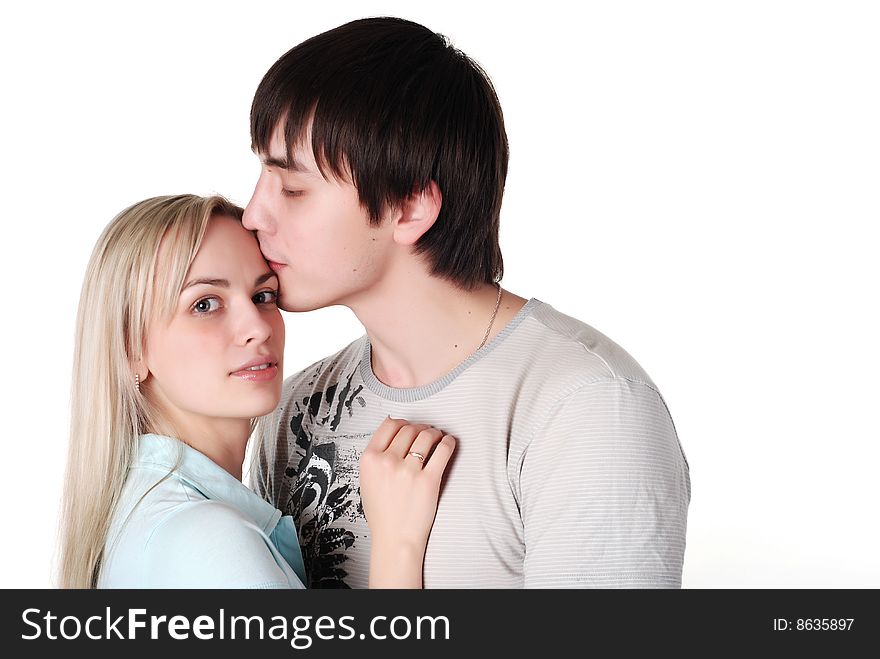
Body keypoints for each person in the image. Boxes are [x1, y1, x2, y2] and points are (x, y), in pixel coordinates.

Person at [243, 17, 692, 589]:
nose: (254, 215)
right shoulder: (293, 412)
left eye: (293, 188)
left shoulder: (586, 409)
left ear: (409, 208)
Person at [57, 194, 455, 589]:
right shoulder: (207, 539)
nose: (259, 327)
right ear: (130, 349)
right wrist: (397, 547)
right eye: (205, 304)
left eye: (262, 296)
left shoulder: (147, 513)